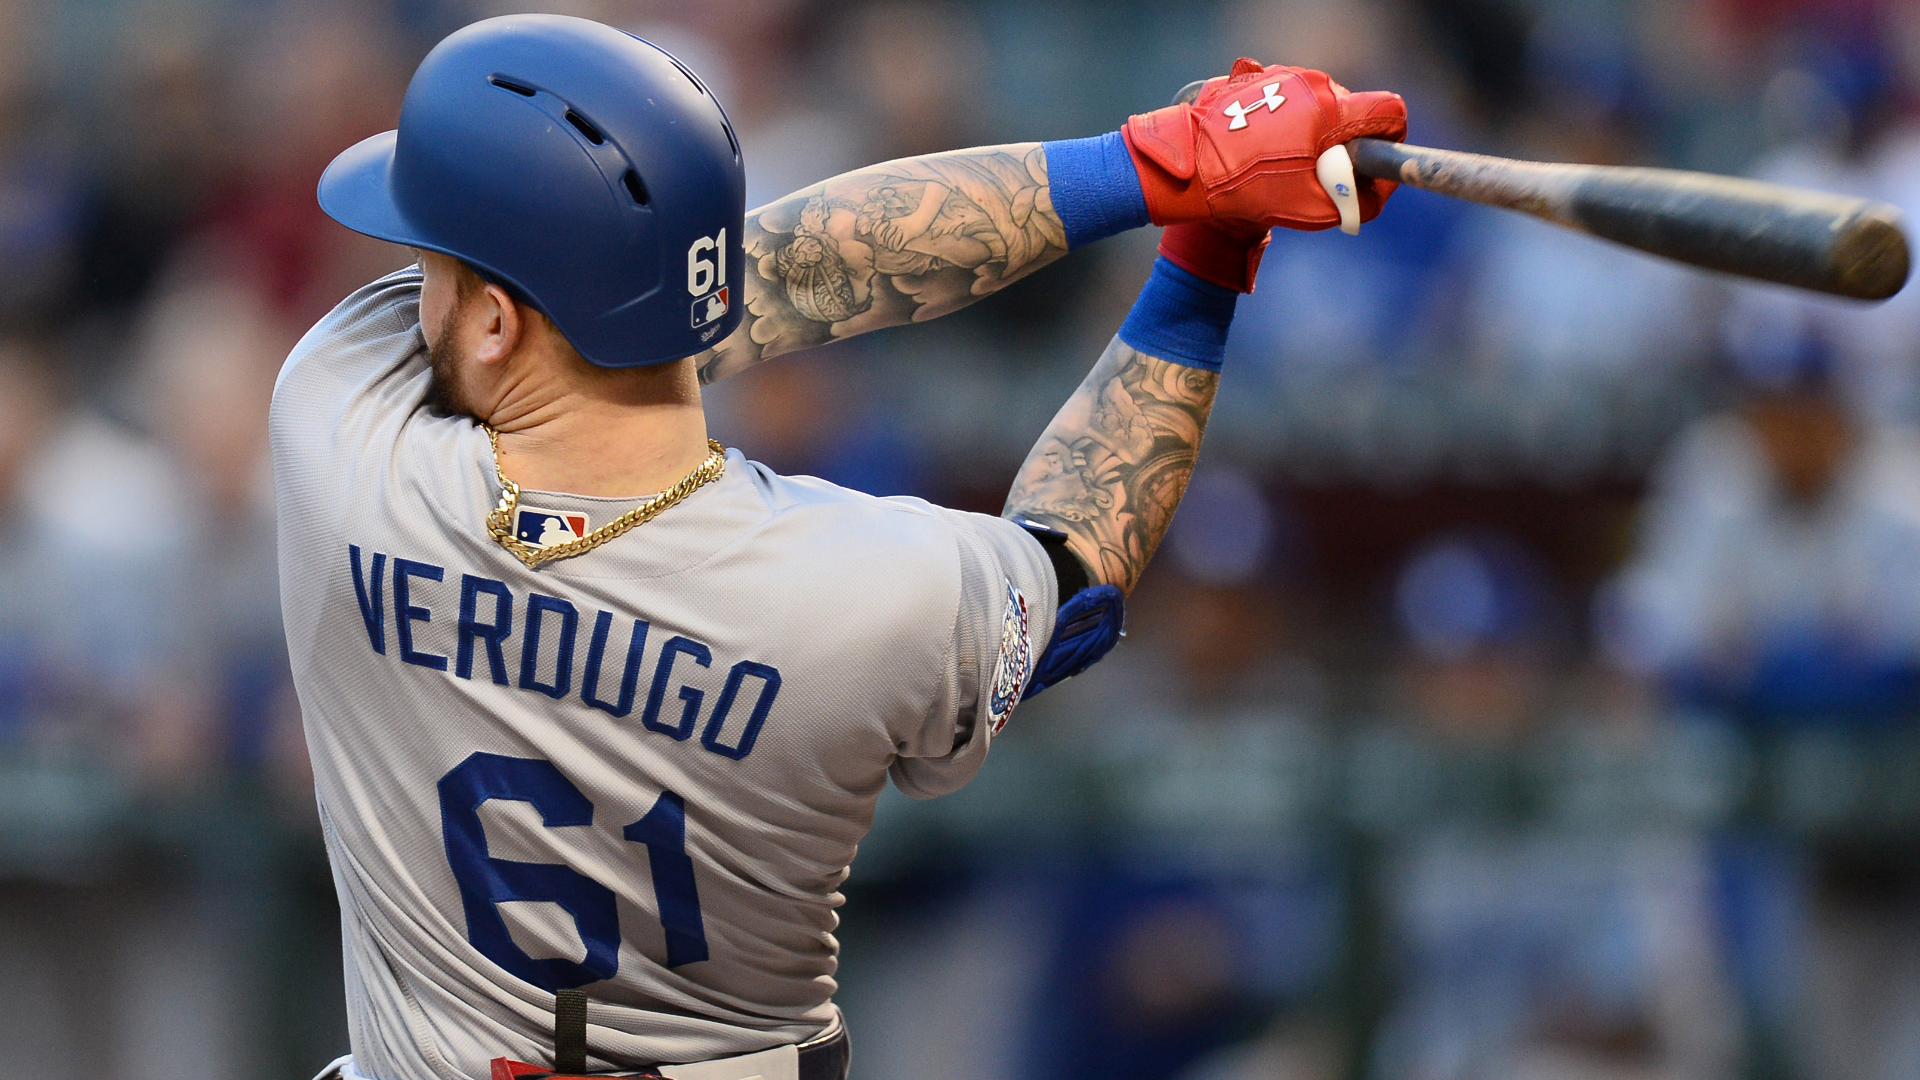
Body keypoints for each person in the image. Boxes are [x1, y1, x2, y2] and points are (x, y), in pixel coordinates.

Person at [272, 15, 1405, 1080]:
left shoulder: (340, 440)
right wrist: (1196, 238)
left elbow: (735, 287)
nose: (417, 289)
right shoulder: (868, 594)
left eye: (435, 269)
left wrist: (1161, 166)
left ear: (493, 319)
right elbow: (1078, 561)